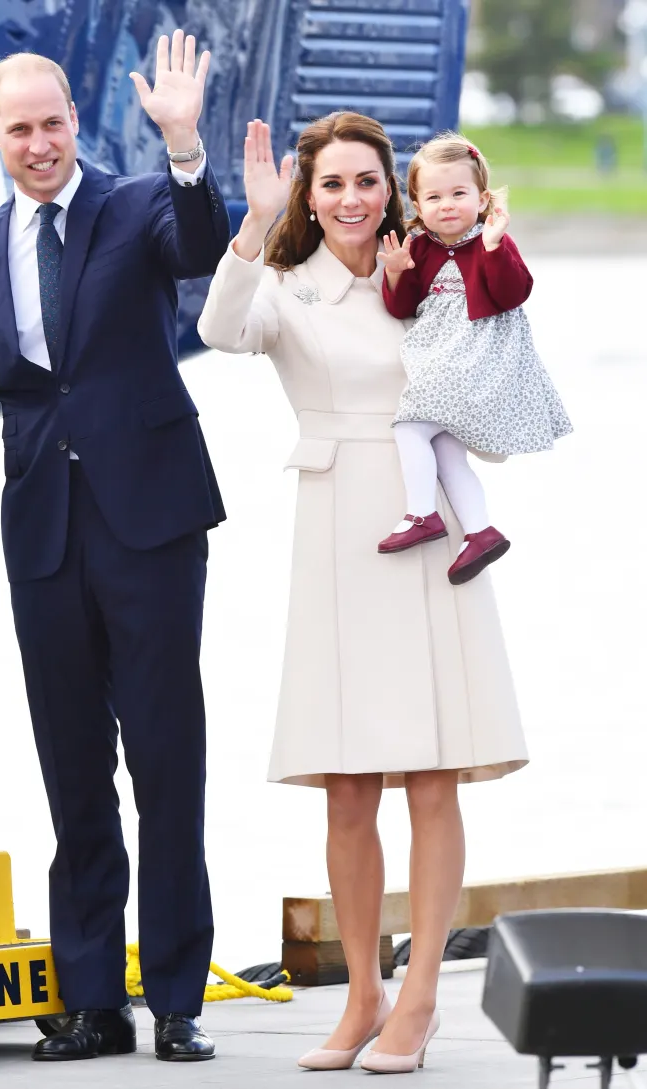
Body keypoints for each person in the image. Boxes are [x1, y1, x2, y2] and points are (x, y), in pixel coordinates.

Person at [0, 35, 229, 1062]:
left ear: (74, 125)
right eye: (20, 128)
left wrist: (184, 147)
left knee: (167, 758)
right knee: (73, 768)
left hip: (150, 518)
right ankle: (92, 997)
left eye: (54, 124)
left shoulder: (136, 207)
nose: (39, 143)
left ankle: (176, 996)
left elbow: (198, 245)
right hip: (42, 530)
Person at [197, 113, 528, 1074]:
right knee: (347, 787)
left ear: (396, 190)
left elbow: (491, 379)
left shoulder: (436, 274)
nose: (352, 199)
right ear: (309, 192)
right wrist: (251, 227)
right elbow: (221, 330)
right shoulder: (285, 284)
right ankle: (361, 993)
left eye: (369, 182)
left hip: (430, 531)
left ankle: (420, 996)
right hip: (338, 524)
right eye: (332, 183)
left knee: (430, 777)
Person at [376, 133, 572, 584]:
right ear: (417, 204)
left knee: (409, 425)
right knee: (446, 449)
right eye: (434, 197)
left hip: (476, 359)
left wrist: (493, 247)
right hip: (441, 359)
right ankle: (480, 531)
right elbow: (402, 308)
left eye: (459, 194)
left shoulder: (490, 239)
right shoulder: (419, 246)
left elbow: (512, 293)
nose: (447, 205)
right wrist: (395, 271)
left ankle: (422, 514)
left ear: (482, 199)